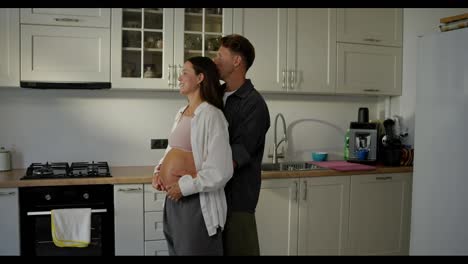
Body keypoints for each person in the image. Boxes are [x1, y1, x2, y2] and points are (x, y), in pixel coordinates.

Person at [152, 56, 233, 256]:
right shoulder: (181, 112)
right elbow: (171, 149)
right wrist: (158, 172)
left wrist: (184, 187)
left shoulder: (212, 116)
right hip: (173, 200)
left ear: (200, 78)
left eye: (185, 73)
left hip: (196, 203)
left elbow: (220, 171)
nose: (179, 78)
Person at [213, 34, 271, 255]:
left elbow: (235, 157)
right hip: (210, 197)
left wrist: (193, 173)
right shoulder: (214, 95)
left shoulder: (254, 105)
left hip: (236, 202)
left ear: (237, 61)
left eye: (220, 55)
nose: (215, 59)